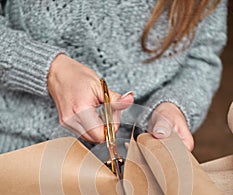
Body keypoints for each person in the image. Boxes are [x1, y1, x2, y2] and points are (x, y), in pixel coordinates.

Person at [0, 0, 227, 154]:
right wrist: (50, 70)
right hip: (15, 150)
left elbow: (201, 57)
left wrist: (172, 106)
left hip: (137, 159)